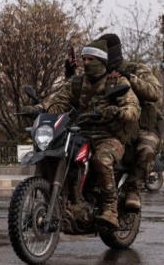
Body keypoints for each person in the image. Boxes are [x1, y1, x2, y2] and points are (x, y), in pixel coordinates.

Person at [21, 40, 139, 228]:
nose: (85, 63)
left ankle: (111, 209)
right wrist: (37, 108)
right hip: (80, 132)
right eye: (84, 59)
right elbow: (58, 101)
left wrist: (116, 112)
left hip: (109, 136)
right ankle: (62, 201)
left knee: (101, 159)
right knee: (56, 154)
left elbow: (133, 108)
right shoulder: (76, 82)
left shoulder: (116, 81)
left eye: (90, 59)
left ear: (101, 61)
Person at [99, 33, 162, 211]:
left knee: (146, 148)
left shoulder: (136, 68)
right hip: (113, 126)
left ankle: (133, 190)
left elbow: (155, 92)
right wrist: (70, 73)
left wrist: (130, 78)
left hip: (142, 126)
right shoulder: (100, 72)